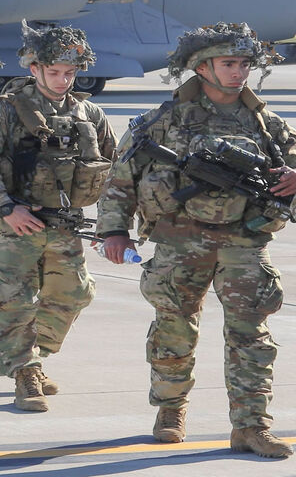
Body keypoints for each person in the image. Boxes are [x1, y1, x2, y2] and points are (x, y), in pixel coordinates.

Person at [97, 23, 296, 457]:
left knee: (252, 337)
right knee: (174, 331)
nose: (239, 72)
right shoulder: (163, 121)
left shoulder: (267, 123)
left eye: (244, 64)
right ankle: (171, 410)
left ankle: (251, 425)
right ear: (201, 67)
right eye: (229, 63)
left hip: (245, 243)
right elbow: (120, 180)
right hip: (179, 242)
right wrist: (113, 231)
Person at [0, 22, 116, 411]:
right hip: (13, 223)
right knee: (12, 299)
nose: (62, 80)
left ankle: (34, 354)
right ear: (34, 69)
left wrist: (115, 223)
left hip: (64, 224)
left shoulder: (89, 112)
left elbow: (113, 167)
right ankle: (24, 371)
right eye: (54, 72)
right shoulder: (2, 111)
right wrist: (6, 208)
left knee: (73, 294)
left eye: (69, 73)